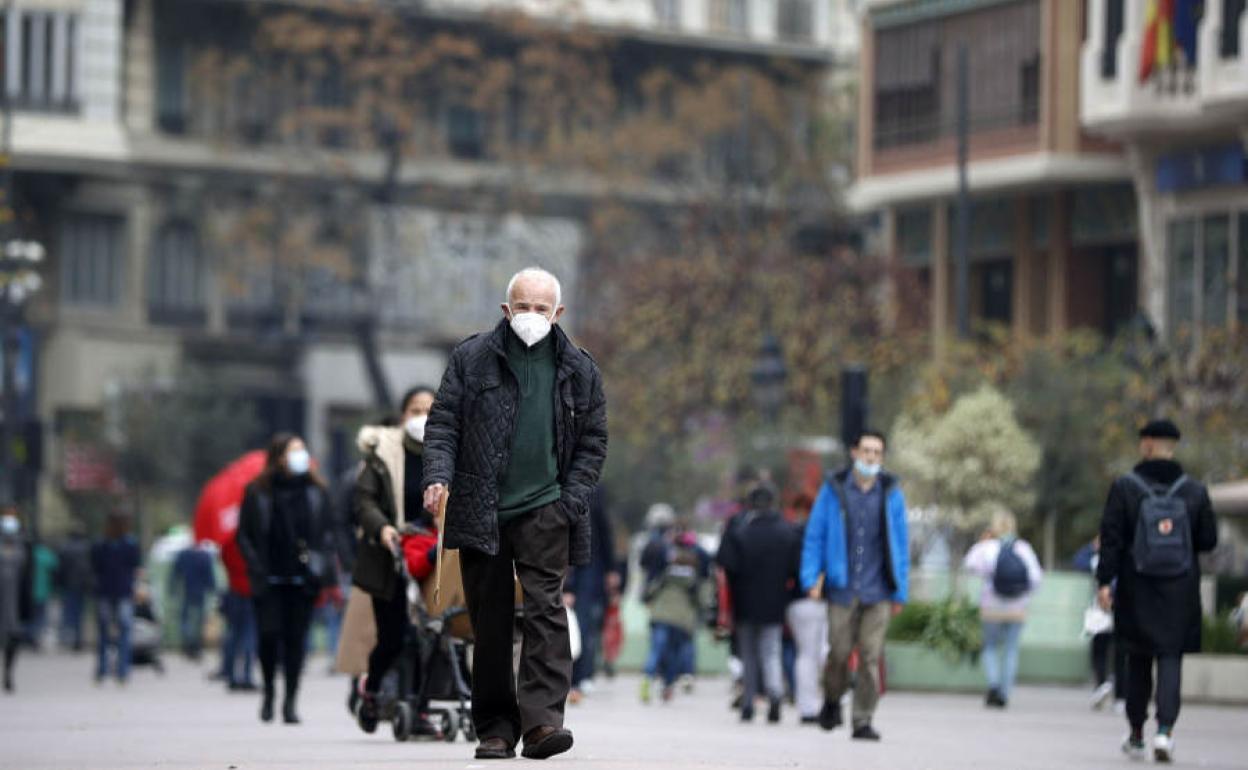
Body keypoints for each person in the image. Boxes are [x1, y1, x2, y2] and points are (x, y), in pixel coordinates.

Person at [423, 266, 608, 761]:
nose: (531, 316)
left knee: (546, 612)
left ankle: (544, 724)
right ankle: (495, 728)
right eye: (522, 307)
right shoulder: (471, 357)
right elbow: (443, 424)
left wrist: (569, 500)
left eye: (541, 308)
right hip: (480, 507)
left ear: (558, 313)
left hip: (546, 507)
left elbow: (594, 441)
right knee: (491, 620)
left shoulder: (580, 367)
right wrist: (437, 476)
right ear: (506, 310)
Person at [1096, 419, 1217, 763]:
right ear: (1172, 446)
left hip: (1137, 586)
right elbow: (1208, 540)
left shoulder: (1125, 487)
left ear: (1147, 444)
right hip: (1180, 589)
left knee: (1137, 658)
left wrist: (1105, 582)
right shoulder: (1194, 491)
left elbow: (1112, 540)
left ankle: (1136, 734)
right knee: (1170, 657)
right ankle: (1165, 732)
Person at [800, 430, 909, 741]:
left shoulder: (891, 494)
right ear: (854, 453)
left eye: (877, 452)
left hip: (878, 589)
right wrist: (811, 577)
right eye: (866, 451)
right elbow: (815, 536)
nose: (871, 457)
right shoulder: (834, 491)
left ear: (882, 457)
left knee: (871, 656)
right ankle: (832, 700)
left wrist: (900, 590)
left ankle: (862, 718)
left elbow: (900, 544)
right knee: (839, 652)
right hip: (842, 587)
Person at [351, 385, 440, 735]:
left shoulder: (448, 452)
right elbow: (364, 502)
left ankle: (419, 708)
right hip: (390, 554)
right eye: (415, 410)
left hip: (435, 553)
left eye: (430, 411)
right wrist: (384, 529)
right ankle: (371, 690)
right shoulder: (381, 455)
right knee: (394, 635)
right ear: (402, 415)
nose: (422, 418)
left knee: (435, 634)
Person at [236, 433, 333, 725]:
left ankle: (291, 700)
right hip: (269, 578)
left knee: (296, 641)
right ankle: (268, 692)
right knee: (268, 637)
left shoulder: (317, 492)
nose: (301, 455)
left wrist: (321, 564)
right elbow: (244, 535)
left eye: (303, 449)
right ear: (279, 457)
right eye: (294, 450)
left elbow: (326, 534)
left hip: (303, 579)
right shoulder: (257, 492)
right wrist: (255, 566)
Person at [716, 484, 800, 723]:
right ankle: (775, 694)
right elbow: (795, 568)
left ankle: (748, 701)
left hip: (745, 601)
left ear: (750, 504)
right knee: (771, 650)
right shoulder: (787, 532)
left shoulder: (739, 531)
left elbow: (726, 565)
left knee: (749, 653)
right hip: (775, 601)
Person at [962, 509, 1044, 708]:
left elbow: (970, 564)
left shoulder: (988, 547)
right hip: (1017, 607)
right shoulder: (1023, 548)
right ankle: (1005, 693)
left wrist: (983, 545)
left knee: (989, 647)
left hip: (992, 605)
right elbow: (1036, 578)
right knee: (1011, 649)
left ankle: (994, 685)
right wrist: (1022, 593)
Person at [564, 485, 616, 704]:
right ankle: (568, 678)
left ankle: (579, 678)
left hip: (587, 565)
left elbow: (604, 531)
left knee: (584, 626)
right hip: (565, 565)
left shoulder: (593, 490)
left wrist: (611, 569)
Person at [640, 530, 703, 704]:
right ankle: (668, 686)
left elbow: (652, 590)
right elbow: (698, 600)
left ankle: (647, 677)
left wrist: (647, 598)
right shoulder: (693, 575)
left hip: (660, 615)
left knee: (656, 650)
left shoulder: (666, 571)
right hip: (681, 620)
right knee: (674, 654)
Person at [785, 494, 827, 725]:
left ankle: (808, 705)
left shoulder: (791, 535)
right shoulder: (823, 535)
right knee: (819, 651)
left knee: (806, 654)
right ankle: (819, 702)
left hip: (797, 600)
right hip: (819, 600)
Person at [1073, 534, 1125, 712]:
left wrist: (1092, 547)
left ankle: (1106, 687)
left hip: (1105, 609)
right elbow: (1078, 561)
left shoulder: (1099, 559)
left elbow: (1080, 561)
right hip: (1107, 611)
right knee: (1113, 652)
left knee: (1104, 651)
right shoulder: (1124, 556)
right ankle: (1114, 692)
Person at [90, 511, 142, 685]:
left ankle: (110, 669)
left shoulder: (105, 544)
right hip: (118, 591)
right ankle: (117, 670)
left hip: (113, 591)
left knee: (111, 632)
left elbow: (95, 567)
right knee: (118, 631)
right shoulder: (121, 544)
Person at [218, 535, 257, 691]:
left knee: (233, 634)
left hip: (234, 590)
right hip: (250, 591)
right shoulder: (254, 540)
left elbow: (224, 561)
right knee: (249, 635)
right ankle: (247, 675)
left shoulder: (228, 543)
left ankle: (231, 674)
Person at [0, 507, 33, 692]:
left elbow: (28, 577)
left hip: (15, 605)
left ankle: (8, 674)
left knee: (13, 640)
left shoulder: (24, 546)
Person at [170, 540, 217, 659]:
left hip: (188, 591)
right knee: (197, 621)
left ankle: (189, 645)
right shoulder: (204, 556)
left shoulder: (184, 555)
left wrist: (173, 589)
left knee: (187, 620)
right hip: (199, 592)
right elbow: (210, 577)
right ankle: (195, 645)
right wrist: (213, 590)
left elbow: (176, 573)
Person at [56, 529, 92, 652]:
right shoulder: (87, 548)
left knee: (69, 612)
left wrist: (59, 583)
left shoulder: (65, 548)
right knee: (80, 613)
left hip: (69, 584)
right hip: (82, 585)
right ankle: (78, 638)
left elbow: (60, 567)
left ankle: (67, 638)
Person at [26, 539, 58, 649]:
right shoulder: (47, 555)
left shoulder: (29, 554)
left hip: (29, 591)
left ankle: (30, 636)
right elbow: (55, 567)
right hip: (43, 590)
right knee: (41, 616)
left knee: (30, 615)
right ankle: (37, 636)